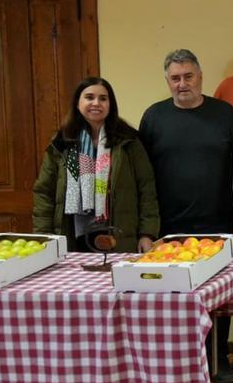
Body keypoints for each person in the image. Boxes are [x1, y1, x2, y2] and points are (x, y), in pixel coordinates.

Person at [139, 49, 233, 383]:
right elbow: (144, 177)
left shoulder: (225, 114)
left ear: (200, 76)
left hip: (219, 223)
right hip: (169, 227)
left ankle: (218, 362)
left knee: (219, 298)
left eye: (188, 76)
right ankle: (180, 364)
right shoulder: (153, 117)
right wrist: (148, 228)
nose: (182, 84)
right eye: (175, 78)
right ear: (167, 81)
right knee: (172, 299)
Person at [33, 77, 159, 253]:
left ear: (110, 104)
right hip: (73, 236)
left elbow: (146, 189)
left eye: (103, 98)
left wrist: (147, 234)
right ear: (78, 103)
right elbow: (44, 192)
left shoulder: (128, 141)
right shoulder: (63, 142)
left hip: (119, 236)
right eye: (89, 97)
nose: (96, 103)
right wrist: (44, 236)